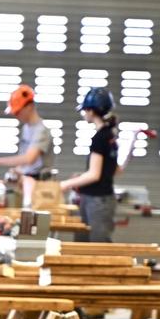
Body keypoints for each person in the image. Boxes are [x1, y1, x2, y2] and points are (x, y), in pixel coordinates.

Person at [0, 84, 55, 207]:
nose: (16, 115)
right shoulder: (26, 128)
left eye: (18, 111)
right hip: (26, 184)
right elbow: (24, 162)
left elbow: (29, 159)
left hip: (40, 188)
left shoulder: (41, 131)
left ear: (29, 106)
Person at [60, 87, 119, 242]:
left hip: (98, 201)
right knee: (82, 244)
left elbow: (94, 174)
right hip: (96, 198)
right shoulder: (110, 135)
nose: (84, 114)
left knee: (97, 247)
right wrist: (81, 177)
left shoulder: (100, 138)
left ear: (91, 111)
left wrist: (66, 184)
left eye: (85, 110)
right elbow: (113, 170)